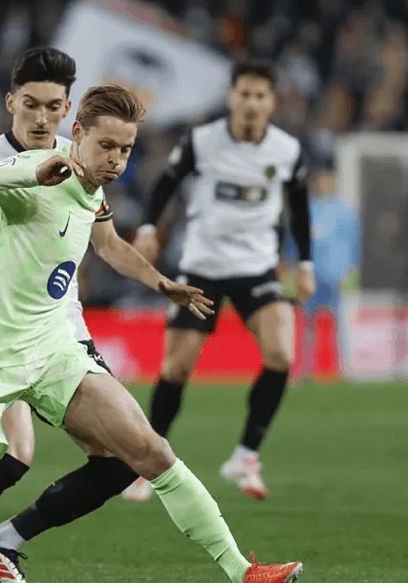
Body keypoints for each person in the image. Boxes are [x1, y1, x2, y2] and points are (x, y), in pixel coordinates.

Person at [0, 84, 303, 583]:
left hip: (53, 350)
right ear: (78, 134)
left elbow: (110, 245)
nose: (116, 160)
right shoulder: (34, 173)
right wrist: (24, 172)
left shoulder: (93, 191)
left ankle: (243, 573)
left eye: (126, 150)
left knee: (150, 450)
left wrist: (161, 283)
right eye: (107, 146)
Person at [126, 60, 314, 502]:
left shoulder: (287, 150)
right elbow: (165, 184)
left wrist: (305, 262)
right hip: (203, 267)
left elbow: (300, 207)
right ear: (232, 97)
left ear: (272, 103)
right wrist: (150, 229)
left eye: (260, 96)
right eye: (244, 94)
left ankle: (245, 456)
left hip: (257, 267)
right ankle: (147, 464)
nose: (251, 103)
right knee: (177, 367)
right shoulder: (202, 141)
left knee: (281, 354)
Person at [284, 167, 359, 380]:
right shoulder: (305, 210)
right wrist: (292, 267)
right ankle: (306, 367)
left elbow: (354, 243)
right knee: (307, 324)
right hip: (311, 275)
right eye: (321, 179)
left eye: (329, 179)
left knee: (342, 323)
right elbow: (293, 243)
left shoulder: (345, 210)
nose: (324, 183)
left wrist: (353, 268)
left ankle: (346, 367)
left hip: (337, 275)